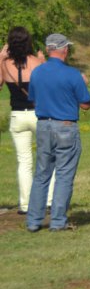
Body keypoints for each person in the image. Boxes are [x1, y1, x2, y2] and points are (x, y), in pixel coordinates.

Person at [26, 34, 90, 232]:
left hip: (43, 125)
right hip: (65, 125)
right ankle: (57, 221)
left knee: (41, 174)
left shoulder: (37, 72)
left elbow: (34, 100)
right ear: (65, 50)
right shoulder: (72, 74)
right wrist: (82, 84)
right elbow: (86, 104)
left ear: (48, 49)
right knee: (64, 174)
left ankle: (33, 220)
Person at [0, 27, 52, 215]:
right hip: (38, 114)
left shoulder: (5, 64)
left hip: (17, 115)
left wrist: (0, 58)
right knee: (47, 157)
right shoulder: (36, 62)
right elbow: (48, 84)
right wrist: (43, 60)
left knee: (24, 162)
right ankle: (49, 200)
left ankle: (25, 204)